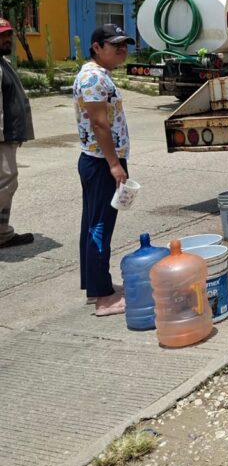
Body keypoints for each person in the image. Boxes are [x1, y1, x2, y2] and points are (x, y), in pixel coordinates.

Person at [74, 24, 134, 315]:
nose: (122, 49)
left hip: (99, 160)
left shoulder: (97, 75)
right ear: (96, 47)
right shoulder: (94, 78)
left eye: (124, 44)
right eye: (115, 44)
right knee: (100, 228)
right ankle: (103, 300)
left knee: (93, 225)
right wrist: (114, 164)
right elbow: (99, 124)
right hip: (101, 162)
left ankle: (96, 287)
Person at [0, 18, 35, 249]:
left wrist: (17, 132)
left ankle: (2, 231)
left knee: (7, 183)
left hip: (7, 137)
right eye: (3, 35)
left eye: (9, 34)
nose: (8, 39)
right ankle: (2, 234)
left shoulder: (3, 62)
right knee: (5, 182)